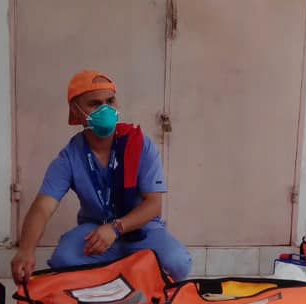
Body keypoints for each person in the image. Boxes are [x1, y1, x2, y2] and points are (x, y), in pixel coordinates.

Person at [11, 70, 192, 283]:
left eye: (110, 101)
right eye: (95, 104)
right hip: (95, 230)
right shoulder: (70, 156)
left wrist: (116, 228)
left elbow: (154, 205)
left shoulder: (139, 145)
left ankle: (121, 273)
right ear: (75, 110)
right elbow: (43, 206)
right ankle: (121, 275)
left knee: (178, 263)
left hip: (142, 229)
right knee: (64, 259)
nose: (105, 109)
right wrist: (26, 250)